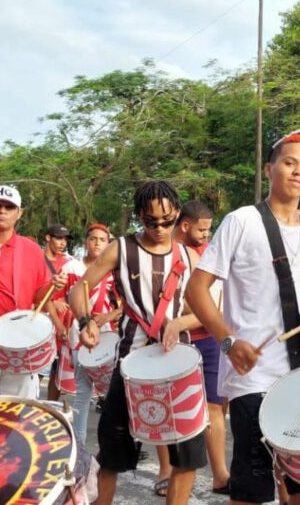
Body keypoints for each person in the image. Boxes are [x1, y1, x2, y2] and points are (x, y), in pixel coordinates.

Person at [186, 131, 300, 505]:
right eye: (290, 163)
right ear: (270, 168)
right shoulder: (242, 221)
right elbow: (196, 290)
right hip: (252, 376)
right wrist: (228, 342)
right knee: (252, 490)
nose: (298, 173)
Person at [70, 180, 204, 505]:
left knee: (186, 453)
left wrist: (181, 322)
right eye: (150, 222)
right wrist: (86, 321)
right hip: (129, 364)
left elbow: (210, 310)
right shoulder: (121, 248)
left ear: (177, 216)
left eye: (167, 221)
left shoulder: (188, 256)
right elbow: (79, 289)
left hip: (178, 366)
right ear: (138, 217)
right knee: (113, 452)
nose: (160, 228)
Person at [0, 185, 67, 399]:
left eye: (9, 207)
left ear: (19, 213)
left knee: (19, 409)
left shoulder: (30, 250)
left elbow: (39, 296)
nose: (2, 211)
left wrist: (53, 286)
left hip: (19, 343)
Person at [173, 200, 231, 495]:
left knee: (214, 408)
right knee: (176, 414)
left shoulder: (208, 254)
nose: (207, 235)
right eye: (203, 230)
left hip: (207, 338)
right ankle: (167, 473)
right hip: (175, 344)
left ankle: (221, 474)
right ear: (185, 226)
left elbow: (213, 301)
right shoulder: (167, 253)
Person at [60, 223, 121, 444]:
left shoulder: (116, 270)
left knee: (113, 395)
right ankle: (80, 443)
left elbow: (126, 305)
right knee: (83, 393)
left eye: (102, 240)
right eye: (93, 239)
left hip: (109, 339)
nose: (97, 243)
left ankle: (116, 443)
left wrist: (111, 315)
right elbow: (58, 297)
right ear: (86, 242)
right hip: (81, 338)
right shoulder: (72, 268)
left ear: (108, 244)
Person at [44, 223, 72, 402]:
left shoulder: (70, 264)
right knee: (38, 369)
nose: (63, 243)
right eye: (58, 238)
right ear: (48, 238)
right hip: (43, 320)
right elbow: (31, 289)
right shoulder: (37, 260)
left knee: (56, 370)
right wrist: (54, 301)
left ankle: (51, 406)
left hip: (63, 323)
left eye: (65, 239)